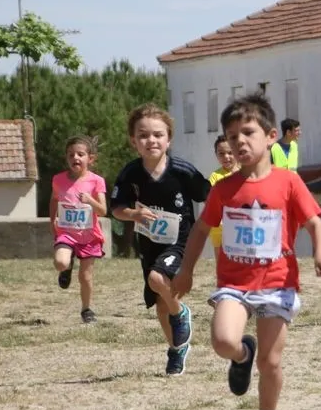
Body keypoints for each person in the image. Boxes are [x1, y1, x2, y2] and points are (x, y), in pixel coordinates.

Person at [172, 93, 321, 410]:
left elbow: (315, 223)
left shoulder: (288, 182)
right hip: (235, 283)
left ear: (271, 136)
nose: (240, 142)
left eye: (248, 133)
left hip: (277, 284)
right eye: (232, 137)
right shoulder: (223, 189)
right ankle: (243, 355)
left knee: (271, 362)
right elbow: (200, 229)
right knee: (223, 341)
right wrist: (186, 271)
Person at [111, 103, 210, 376]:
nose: (151, 140)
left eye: (158, 134)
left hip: (180, 242)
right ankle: (177, 349)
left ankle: (181, 314)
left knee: (157, 279)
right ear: (133, 141)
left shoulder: (182, 171)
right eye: (143, 135)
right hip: (149, 244)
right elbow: (116, 208)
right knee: (160, 303)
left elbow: (209, 195)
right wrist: (134, 214)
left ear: (169, 139)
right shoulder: (130, 173)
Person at [49, 135, 107, 324]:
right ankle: (66, 269)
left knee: (85, 276)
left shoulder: (96, 181)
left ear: (90, 159)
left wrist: (90, 201)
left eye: (80, 154)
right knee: (60, 262)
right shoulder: (58, 180)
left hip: (89, 236)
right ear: (66, 158)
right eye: (71, 154)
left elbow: (103, 211)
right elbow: (54, 199)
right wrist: (52, 219)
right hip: (66, 233)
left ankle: (86, 309)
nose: (75, 157)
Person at [208, 135, 240, 254]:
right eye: (221, 154)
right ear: (216, 154)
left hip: (241, 226)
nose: (226, 157)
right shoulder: (215, 176)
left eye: (230, 152)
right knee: (221, 261)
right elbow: (210, 201)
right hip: (220, 228)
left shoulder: (246, 173)